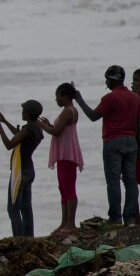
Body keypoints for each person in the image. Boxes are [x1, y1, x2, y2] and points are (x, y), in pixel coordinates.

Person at [74, 65, 140, 225]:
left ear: (112, 80)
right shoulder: (135, 98)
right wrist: (139, 146)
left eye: (107, 79)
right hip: (132, 141)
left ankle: (115, 218)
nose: (106, 82)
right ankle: (130, 218)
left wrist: (79, 100)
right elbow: (139, 124)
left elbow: (93, 116)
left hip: (113, 142)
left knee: (113, 181)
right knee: (131, 181)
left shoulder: (110, 98)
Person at [0, 100, 44, 237]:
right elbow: (19, 134)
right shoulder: (36, 128)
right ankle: (29, 238)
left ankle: (19, 240)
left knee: (13, 208)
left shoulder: (28, 129)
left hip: (20, 172)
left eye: (23, 111)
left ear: (27, 114)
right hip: (29, 170)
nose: (22, 112)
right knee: (26, 207)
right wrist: (4, 121)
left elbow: (9, 144)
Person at [37, 83, 84, 235]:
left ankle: (71, 223)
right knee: (63, 187)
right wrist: (48, 124)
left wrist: (41, 125)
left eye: (57, 97)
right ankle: (65, 222)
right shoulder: (69, 110)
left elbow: (56, 132)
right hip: (65, 153)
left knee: (69, 187)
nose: (56, 100)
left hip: (67, 154)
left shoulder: (68, 111)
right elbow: (59, 129)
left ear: (64, 97)